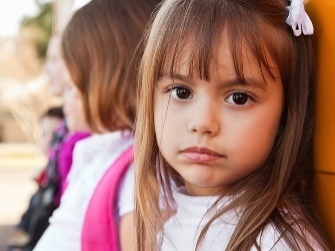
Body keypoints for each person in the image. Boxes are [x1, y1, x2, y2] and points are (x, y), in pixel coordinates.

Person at [134, 0, 333, 250]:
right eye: (181, 92)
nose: (203, 123)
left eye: (238, 98)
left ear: (286, 112)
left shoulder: (274, 243)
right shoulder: (168, 224)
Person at [33, 0, 160, 250]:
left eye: (74, 85)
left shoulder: (137, 175)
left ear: (110, 79)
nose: (70, 97)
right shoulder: (103, 155)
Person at [7, 106, 64, 251]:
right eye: (44, 134)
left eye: (56, 136)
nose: (49, 142)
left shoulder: (59, 184)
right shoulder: (46, 179)